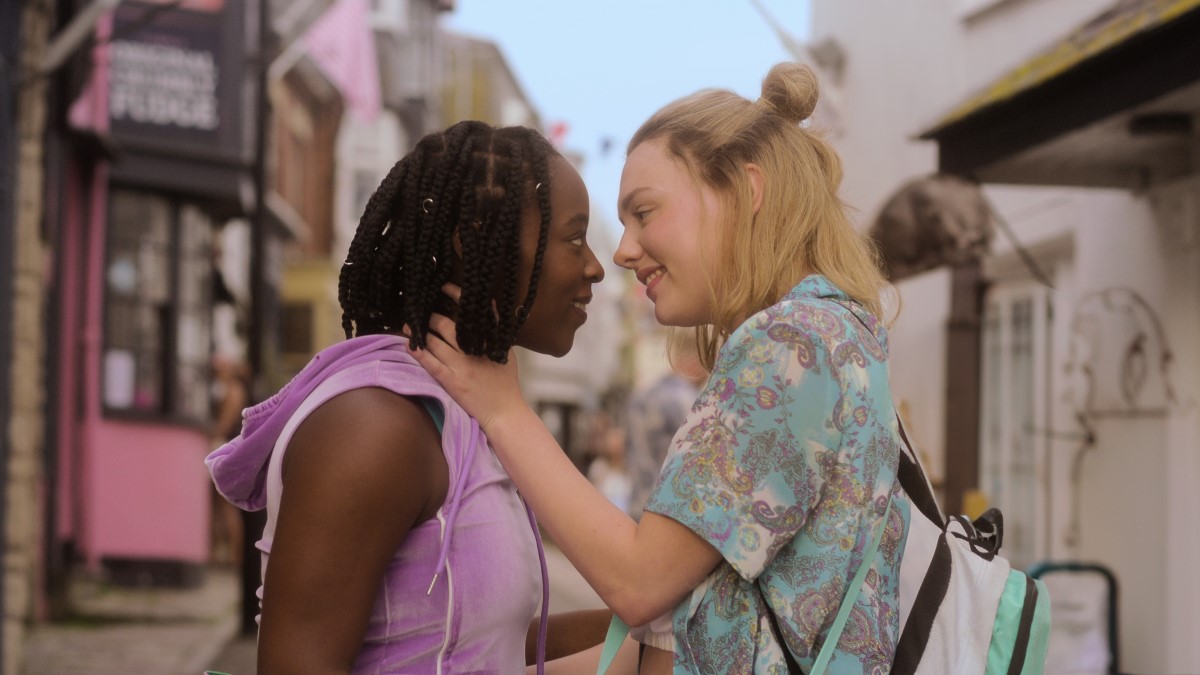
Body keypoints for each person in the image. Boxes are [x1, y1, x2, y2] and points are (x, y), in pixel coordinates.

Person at [408, 63, 911, 674]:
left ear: (745, 191)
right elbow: (686, 637)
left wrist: (502, 409)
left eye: (643, 213)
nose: (622, 251)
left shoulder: (791, 345)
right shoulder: (835, 334)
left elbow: (638, 581)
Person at [205, 120, 612, 674]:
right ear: (475, 243)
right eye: (572, 237)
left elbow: (470, 646)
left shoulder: (462, 410)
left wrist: (665, 623)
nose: (595, 266)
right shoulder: (375, 424)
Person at [623, 336, 705, 521]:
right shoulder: (689, 401)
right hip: (669, 512)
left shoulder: (642, 394)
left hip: (637, 502)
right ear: (696, 362)